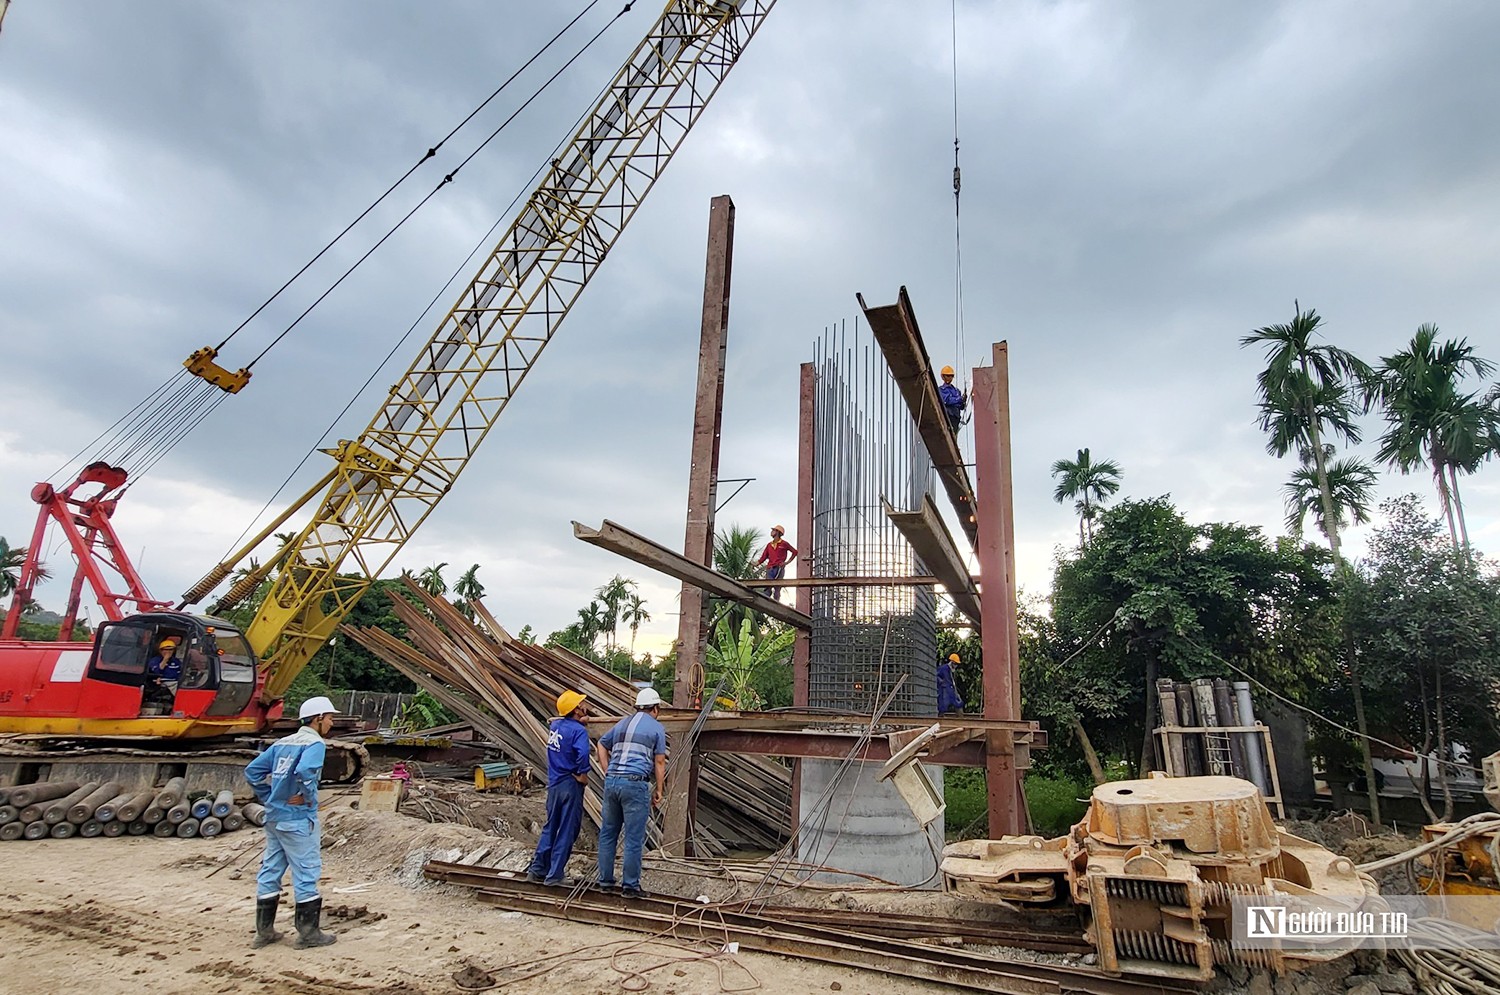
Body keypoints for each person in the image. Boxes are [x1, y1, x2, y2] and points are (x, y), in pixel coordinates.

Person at [244, 695, 339, 950]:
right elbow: (307, 771)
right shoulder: (314, 744)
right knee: (306, 872)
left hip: (274, 817)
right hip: (297, 820)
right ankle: (308, 934)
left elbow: (252, 771)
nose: (331, 723)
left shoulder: (282, 743)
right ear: (318, 718)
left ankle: (264, 933)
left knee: (271, 870)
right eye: (330, 718)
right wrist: (308, 798)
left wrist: (270, 797)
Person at [595, 687, 668, 899]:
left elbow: (601, 743)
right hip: (635, 784)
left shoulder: (622, 723)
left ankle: (605, 882)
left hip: (612, 783)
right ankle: (630, 886)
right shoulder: (656, 728)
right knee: (634, 838)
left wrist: (607, 768)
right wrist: (659, 790)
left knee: (608, 833)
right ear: (655, 708)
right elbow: (660, 761)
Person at [526, 690, 593, 886]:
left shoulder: (556, 725)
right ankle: (555, 875)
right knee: (566, 830)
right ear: (576, 710)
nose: (585, 707)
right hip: (570, 783)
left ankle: (538, 869)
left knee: (550, 827)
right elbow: (582, 753)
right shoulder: (578, 731)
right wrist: (583, 774)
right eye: (581, 705)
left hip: (554, 782)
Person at [754, 526, 798, 601]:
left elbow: (795, 552)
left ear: (778, 532)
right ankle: (766, 599)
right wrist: (757, 563)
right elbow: (764, 557)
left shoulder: (784, 544)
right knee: (768, 586)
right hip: (770, 568)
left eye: (773, 530)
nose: (771, 532)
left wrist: (787, 562)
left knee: (777, 587)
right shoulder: (769, 545)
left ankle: (776, 601)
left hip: (779, 568)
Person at [143, 637, 182, 711]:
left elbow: (180, 671)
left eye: (171, 649)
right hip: (164, 681)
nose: (168, 652)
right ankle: (181, 706)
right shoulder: (155, 660)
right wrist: (165, 659)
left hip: (177, 681)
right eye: (165, 649)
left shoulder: (176, 661)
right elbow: (157, 671)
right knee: (179, 691)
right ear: (161, 650)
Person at [938, 365, 965, 433]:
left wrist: (963, 400)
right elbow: (946, 401)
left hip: (956, 417)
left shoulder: (956, 391)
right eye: (947, 376)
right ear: (943, 377)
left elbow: (961, 406)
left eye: (951, 376)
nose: (950, 378)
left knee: (953, 436)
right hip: (948, 416)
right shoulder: (941, 390)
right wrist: (959, 399)